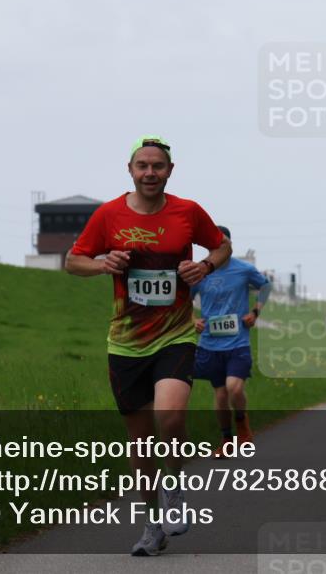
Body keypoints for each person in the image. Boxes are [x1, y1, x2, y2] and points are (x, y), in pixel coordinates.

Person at [65, 135, 231, 557]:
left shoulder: (188, 212)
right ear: (130, 170)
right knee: (140, 445)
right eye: (143, 166)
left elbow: (222, 244)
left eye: (158, 166)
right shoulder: (108, 215)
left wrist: (205, 265)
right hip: (125, 342)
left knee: (171, 416)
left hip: (175, 334)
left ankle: (174, 493)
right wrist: (104, 264)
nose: (150, 172)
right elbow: (73, 260)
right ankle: (151, 526)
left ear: (169, 171)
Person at [192, 226, 271, 458]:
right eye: (213, 242)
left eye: (222, 241)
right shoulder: (200, 271)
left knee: (234, 387)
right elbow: (183, 299)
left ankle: (243, 425)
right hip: (209, 344)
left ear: (229, 244)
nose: (218, 246)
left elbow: (265, 286)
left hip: (238, 342)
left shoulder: (244, 269)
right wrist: (192, 320)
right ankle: (226, 439)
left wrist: (255, 312)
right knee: (220, 394)